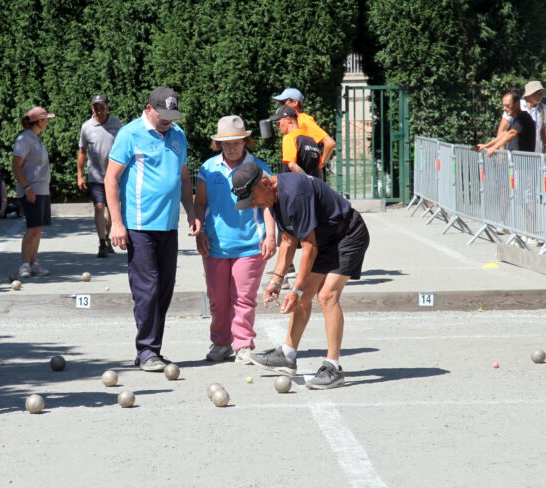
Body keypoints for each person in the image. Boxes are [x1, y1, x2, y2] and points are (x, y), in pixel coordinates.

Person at [232, 161, 370, 389]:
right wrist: (276, 280)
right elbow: (287, 240)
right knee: (305, 296)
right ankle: (287, 354)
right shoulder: (273, 198)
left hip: (347, 235)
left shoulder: (294, 194)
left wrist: (295, 289)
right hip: (325, 240)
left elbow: (309, 247)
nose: (253, 205)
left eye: (253, 198)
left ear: (265, 184)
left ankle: (333, 367)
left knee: (326, 296)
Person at [105, 86, 201, 372]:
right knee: (147, 289)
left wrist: (191, 212)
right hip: (138, 224)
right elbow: (111, 179)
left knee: (164, 291)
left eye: (172, 115)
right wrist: (117, 223)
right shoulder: (130, 134)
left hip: (168, 224)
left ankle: (152, 350)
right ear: (149, 109)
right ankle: (146, 350)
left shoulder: (178, 135)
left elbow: (183, 178)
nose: (168, 120)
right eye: (163, 115)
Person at [194, 116, 276, 364]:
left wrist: (271, 236)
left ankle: (243, 345)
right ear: (218, 144)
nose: (232, 147)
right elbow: (200, 203)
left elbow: (268, 205)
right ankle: (220, 343)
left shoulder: (259, 168)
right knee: (217, 300)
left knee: (243, 298)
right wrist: (200, 233)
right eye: (226, 143)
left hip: (250, 244)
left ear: (245, 141)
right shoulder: (208, 168)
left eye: (237, 142)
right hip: (215, 244)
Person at [77, 94, 123, 258]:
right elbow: (82, 151)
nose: (99, 110)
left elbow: (126, 148)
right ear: (92, 108)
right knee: (99, 207)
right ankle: (102, 242)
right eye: (96, 107)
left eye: (102, 107)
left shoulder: (117, 124)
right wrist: (80, 175)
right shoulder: (87, 127)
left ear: (107, 107)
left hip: (115, 175)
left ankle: (107, 237)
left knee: (112, 210)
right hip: (95, 175)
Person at [13, 106, 55, 278]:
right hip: (32, 190)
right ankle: (24, 265)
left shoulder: (36, 139)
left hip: (42, 189)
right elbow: (16, 166)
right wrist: (27, 187)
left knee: (38, 229)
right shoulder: (24, 139)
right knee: (32, 228)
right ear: (39, 121)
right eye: (45, 120)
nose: (47, 123)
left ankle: (34, 263)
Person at [272, 88, 336, 177]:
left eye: (283, 102)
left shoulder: (304, 120)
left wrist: (320, 166)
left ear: (295, 102)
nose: (281, 106)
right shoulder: (295, 121)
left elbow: (330, 143)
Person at [267, 104, 324, 179]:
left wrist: (308, 181)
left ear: (288, 119)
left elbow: (292, 165)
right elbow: (319, 170)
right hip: (312, 189)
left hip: (294, 188)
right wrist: (315, 185)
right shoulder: (312, 140)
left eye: (278, 123)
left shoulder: (290, 137)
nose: (277, 127)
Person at [521, 81, 546, 154]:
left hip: (536, 153)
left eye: (542, 93)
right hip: (519, 153)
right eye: (539, 93)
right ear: (529, 95)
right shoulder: (519, 106)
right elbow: (504, 128)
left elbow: (544, 129)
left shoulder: (543, 108)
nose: (541, 96)